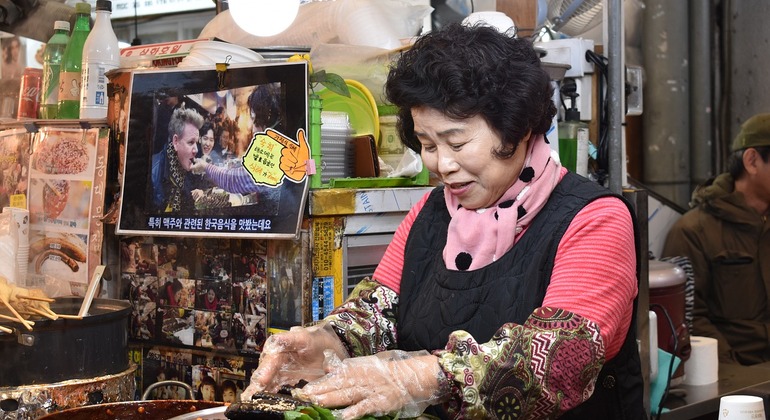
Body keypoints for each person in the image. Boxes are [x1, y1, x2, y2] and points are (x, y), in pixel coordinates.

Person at [243, 23, 643, 420]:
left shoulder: (594, 219)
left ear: (518, 128)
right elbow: (378, 312)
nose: (443, 165)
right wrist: (325, 341)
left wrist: (422, 377)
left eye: (457, 142)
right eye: (428, 145)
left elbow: (558, 360)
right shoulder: (432, 212)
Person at [662, 113, 770, 366]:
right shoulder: (693, 230)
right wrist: (735, 374)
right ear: (752, 161)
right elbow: (686, 318)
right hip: (732, 374)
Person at [151, 106, 204, 212]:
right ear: (175, 141)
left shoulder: (188, 167)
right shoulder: (153, 173)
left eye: (197, 143)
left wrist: (201, 191)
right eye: (190, 142)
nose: (196, 150)